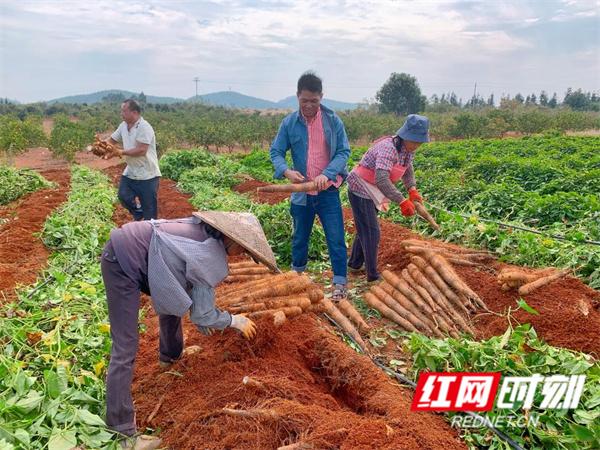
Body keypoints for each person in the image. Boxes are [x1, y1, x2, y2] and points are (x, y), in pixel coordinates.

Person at [100, 211, 277, 448]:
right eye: (243, 250)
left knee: (174, 296)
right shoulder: (210, 255)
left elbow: (182, 284)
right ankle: (123, 434)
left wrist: (206, 313)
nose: (240, 255)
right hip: (123, 261)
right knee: (125, 346)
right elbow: (202, 314)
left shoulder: (202, 230)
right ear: (232, 240)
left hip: (141, 250)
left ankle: (170, 356)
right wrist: (234, 321)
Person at [269, 71, 350, 300]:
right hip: (302, 192)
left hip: (328, 191)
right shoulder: (289, 123)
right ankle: (297, 277)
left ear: (321, 97)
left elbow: (344, 151)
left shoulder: (333, 122)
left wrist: (327, 173)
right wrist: (286, 170)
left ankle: (340, 284)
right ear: (297, 96)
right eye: (304, 100)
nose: (309, 105)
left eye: (314, 101)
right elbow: (276, 151)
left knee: (335, 238)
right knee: (300, 237)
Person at [346, 114, 430, 282]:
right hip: (361, 189)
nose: (417, 145)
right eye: (415, 141)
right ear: (405, 136)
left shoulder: (407, 149)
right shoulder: (388, 148)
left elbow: (407, 169)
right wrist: (402, 200)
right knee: (372, 231)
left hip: (374, 189)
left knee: (365, 227)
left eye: (419, 142)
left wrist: (412, 189)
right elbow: (382, 179)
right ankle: (372, 276)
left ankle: (354, 264)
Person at [107, 99, 161, 221]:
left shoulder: (144, 127)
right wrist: (100, 146)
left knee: (150, 213)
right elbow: (111, 141)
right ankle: (138, 211)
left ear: (135, 112)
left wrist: (120, 152)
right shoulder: (123, 126)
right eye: (121, 111)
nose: (122, 114)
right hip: (131, 171)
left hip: (148, 175)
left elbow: (142, 150)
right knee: (123, 196)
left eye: (124, 111)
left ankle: (150, 235)